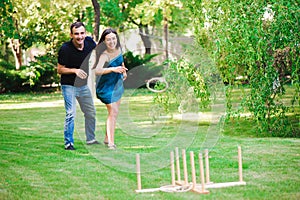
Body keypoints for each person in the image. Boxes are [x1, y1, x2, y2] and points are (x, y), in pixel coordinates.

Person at [57, 21, 99, 150]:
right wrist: (75, 70)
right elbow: (60, 69)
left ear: (85, 33)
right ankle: (68, 143)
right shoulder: (65, 49)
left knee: (91, 112)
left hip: (83, 86)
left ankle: (91, 139)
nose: (80, 36)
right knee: (71, 113)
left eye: (82, 33)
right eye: (76, 34)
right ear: (71, 34)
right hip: (68, 85)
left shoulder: (90, 43)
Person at [92, 28, 127, 150]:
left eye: (113, 38)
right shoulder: (104, 55)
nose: (111, 41)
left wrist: (123, 71)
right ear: (104, 42)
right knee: (113, 112)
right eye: (108, 39)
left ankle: (107, 138)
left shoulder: (119, 50)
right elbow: (97, 71)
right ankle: (111, 143)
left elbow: (121, 63)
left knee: (114, 113)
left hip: (117, 85)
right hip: (105, 88)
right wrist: (113, 69)